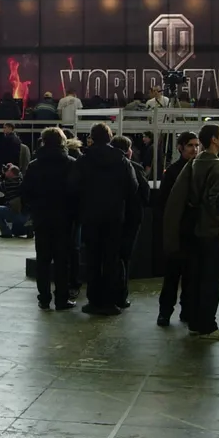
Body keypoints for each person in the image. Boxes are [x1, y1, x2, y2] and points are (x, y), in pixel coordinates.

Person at [167, 123, 219, 339]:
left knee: (194, 279)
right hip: (210, 232)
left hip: (192, 231)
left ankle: (195, 322)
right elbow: (216, 203)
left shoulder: (194, 163)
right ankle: (208, 326)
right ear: (213, 139)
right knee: (211, 281)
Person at [69, 123, 137, 316]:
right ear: (109, 137)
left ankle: (94, 301)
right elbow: (132, 187)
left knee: (92, 258)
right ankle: (110, 301)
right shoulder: (122, 160)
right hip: (114, 216)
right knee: (111, 259)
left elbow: (72, 186)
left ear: (91, 138)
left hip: (90, 217)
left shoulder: (83, 160)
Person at [21, 127, 77, 310]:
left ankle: (44, 299)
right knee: (62, 260)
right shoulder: (71, 164)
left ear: (43, 142)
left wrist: (35, 209)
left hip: (42, 217)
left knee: (43, 260)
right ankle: (61, 299)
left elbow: (26, 192)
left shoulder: (34, 165)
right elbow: (77, 192)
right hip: (64, 218)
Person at [157, 131, 200, 326]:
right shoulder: (173, 172)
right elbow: (164, 203)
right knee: (172, 276)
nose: (194, 149)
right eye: (190, 145)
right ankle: (165, 312)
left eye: (196, 145)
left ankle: (187, 311)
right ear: (180, 147)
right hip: (177, 231)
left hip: (192, 231)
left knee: (190, 277)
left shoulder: (198, 169)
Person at [112, 135, 150, 308]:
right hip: (131, 218)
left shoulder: (106, 168)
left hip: (111, 217)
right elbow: (145, 193)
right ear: (128, 151)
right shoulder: (135, 167)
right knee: (124, 257)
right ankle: (121, 295)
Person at [0, 164, 31, 239]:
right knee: (16, 232)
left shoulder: (8, 184)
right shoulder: (21, 181)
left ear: (11, 173)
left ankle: (6, 232)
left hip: (16, 213)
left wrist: (2, 176)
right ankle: (28, 229)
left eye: (8, 171)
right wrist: (14, 168)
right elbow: (18, 174)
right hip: (26, 214)